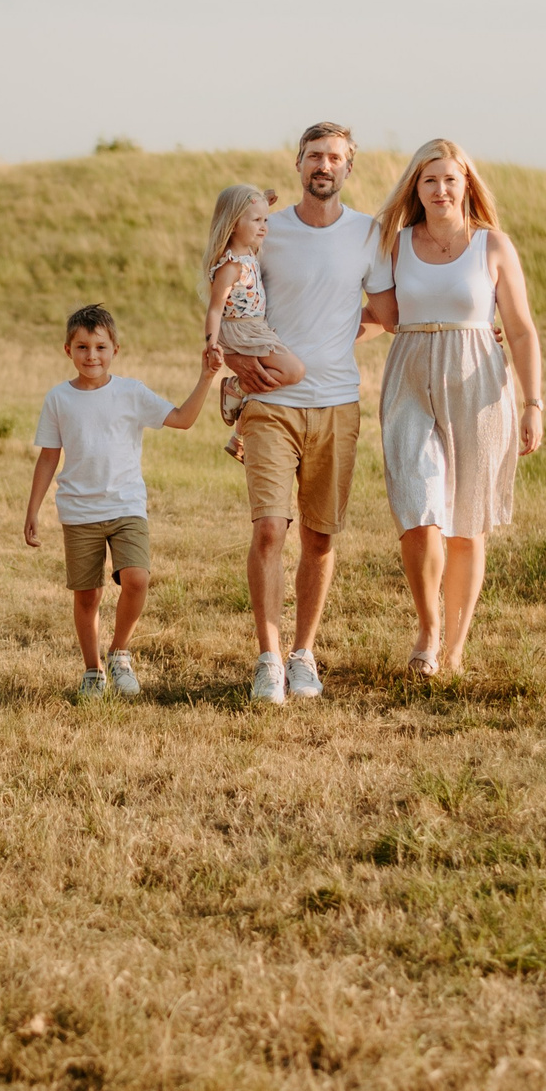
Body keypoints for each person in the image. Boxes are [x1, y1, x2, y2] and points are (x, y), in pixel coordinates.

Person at [209, 123, 388, 705]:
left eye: (335, 158)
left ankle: (304, 654)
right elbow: (224, 294)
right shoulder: (266, 229)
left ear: (348, 169)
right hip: (270, 405)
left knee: (320, 535)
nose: (324, 166)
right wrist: (235, 358)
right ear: (298, 163)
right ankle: (267, 659)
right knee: (268, 529)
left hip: (336, 403)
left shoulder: (368, 234)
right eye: (315, 156)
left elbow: (385, 310)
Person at [363, 139, 545, 677]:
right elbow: (384, 317)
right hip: (410, 376)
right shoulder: (395, 244)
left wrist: (533, 402)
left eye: (450, 179)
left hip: (479, 380)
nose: (440, 190)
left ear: (466, 184)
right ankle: (428, 626)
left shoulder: (492, 246)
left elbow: (520, 328)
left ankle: (457, 645)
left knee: (467, 522)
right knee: (419, 511)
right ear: (415, 189)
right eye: (429, 181)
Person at [23, 303, 225, 698]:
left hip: (126, 506)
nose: (91, 356)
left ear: (116, 349)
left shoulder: (131, 392)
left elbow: (183, 419)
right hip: (79, 511)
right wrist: (33, 509)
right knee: (88, 595)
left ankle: (119, 652)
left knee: (137, 578)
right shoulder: (59, 399)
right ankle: (93, 670)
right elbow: (49, 456)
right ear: (68, 350)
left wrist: (207, 377)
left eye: (100, 347)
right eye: (82, 347)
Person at [199, 183, 305, 461]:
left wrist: (262, 202)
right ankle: (236, 387)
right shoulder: (231, 266)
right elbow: (214, 311)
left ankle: (238, 437)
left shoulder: (250, 253)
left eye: (265, 220)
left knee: (269, 378)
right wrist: (212, 346)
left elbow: (245, 206)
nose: (264, 227)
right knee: (293, 371)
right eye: (257, 221)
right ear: (233, 224)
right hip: (241, 330)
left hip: (256, 326)